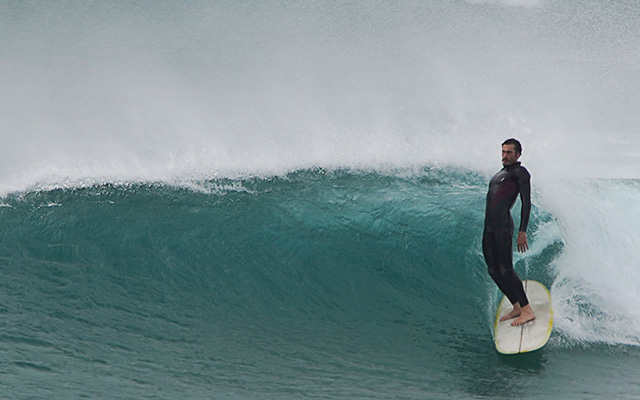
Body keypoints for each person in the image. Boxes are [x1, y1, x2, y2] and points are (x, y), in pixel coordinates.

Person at [482, 138, 534, 326]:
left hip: (503, 226)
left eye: (509, 152)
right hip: (489, 227)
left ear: (518, 154)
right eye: (503, 152)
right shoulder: (499, 174)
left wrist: (522, 231)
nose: (504, 156)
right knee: (493, 270)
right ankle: (517, 306)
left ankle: (527, 310)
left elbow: (526, 202)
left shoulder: (520, 173)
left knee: (506, 269)